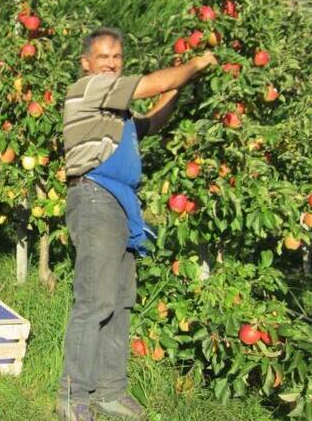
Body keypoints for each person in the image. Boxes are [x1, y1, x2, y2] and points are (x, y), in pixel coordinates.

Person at [57, 28, 217, 421]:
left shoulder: (118, 113)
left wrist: (181, 86)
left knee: (120, 301)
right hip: (95, 197)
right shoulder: (88, 90)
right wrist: (194, 64)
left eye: (117, 57)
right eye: (103, 57)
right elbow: (154, 84)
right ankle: (71, 395)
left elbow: (152, 121)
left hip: (121, 205)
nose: (111, 63)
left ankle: (110, 391)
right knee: (94, 299)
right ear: (86, 63)